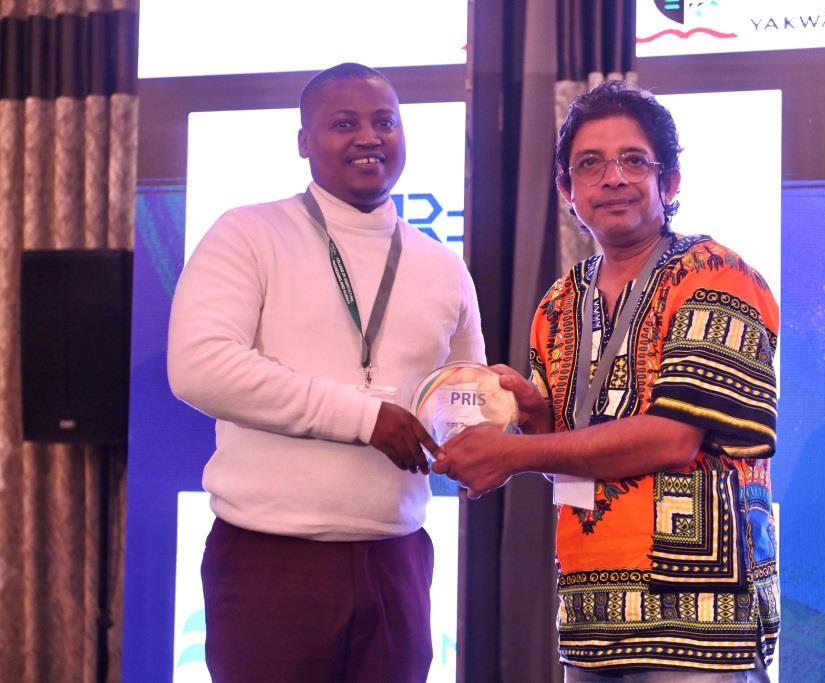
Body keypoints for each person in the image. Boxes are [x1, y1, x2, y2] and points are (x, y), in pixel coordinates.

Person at [433, 81, 779, 681]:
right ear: (567, 190)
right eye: (590, 164)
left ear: (670, 182)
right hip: (591, 618)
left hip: (700, 620)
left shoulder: (717, 275)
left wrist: (512, 453)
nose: (612, 178)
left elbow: (673, 438)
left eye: (633, 161)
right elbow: (569, 459)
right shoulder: (559, 304)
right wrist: (535, 417)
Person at [167, 62, 485, 682]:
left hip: (396, 560)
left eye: (384, 122)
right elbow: (198, 365)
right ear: (304, 142)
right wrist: (363, 418)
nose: (368, 137)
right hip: (270, 559)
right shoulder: (248, 233)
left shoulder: (443, 266)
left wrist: (497, 431)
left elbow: (461, 396)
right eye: (344, 123)